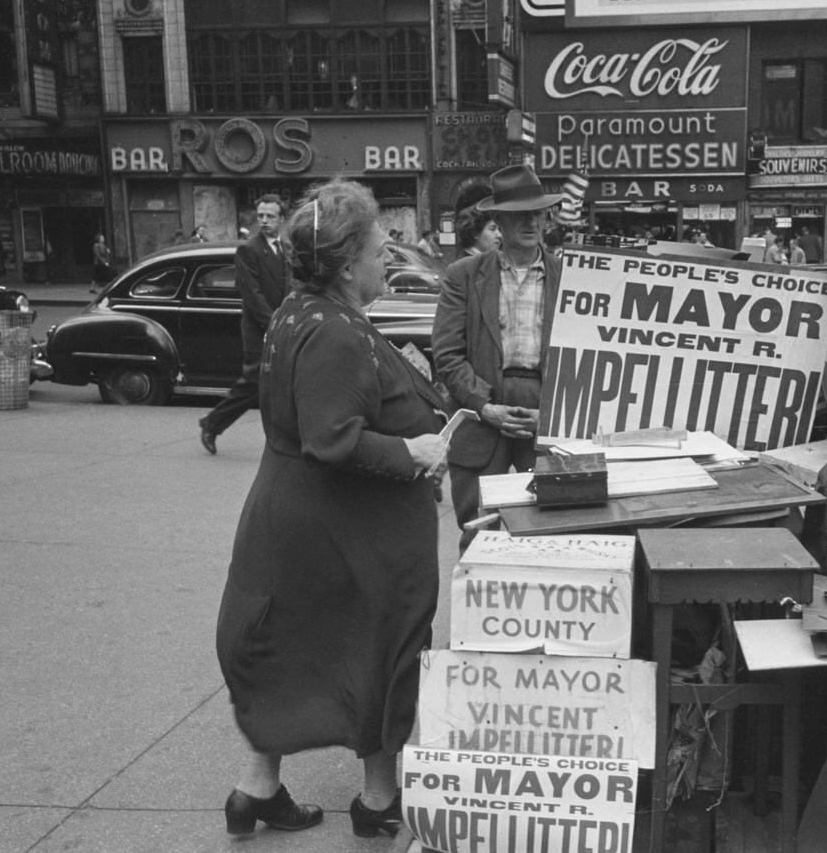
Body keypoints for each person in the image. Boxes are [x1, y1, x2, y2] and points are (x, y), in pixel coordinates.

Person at [216, 178, 449, 839]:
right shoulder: (333, 331)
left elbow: (327, 404)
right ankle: (378, 802)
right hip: (344, 534)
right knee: (378, 648)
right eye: (381, 249)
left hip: (301, 522)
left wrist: (392, 374)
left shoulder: (301, 309)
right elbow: (332, 438)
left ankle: (255, 790)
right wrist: (414, 450)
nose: (390, 257)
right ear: (347, 264)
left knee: (292, 650)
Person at [433, 164, 563, 551]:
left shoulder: (570, 277)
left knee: (549, 530)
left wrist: (554, 411)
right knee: (478, 530)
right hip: (482, 415)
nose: (531, 222)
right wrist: (484, 406)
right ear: (499, 221)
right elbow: (447, 353)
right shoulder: (464, 275)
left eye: (537, 213)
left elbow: (582, 358)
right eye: (519, 214)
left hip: (546, 415)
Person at [199, 195, 290, 454]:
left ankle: (283, 441)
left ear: (282, 219)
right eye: (260, 216)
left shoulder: (285, 248)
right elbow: (252, 295)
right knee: (253, 383)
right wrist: (275, 324)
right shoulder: (248, 249)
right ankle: (212, 424)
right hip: (260, 330)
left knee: (280, 384)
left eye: (270, 216)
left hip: (280, 326)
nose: (264, 221)